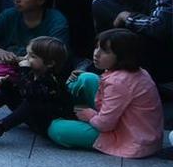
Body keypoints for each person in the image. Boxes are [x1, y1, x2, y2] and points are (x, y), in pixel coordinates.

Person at [49, 28, 166, 156]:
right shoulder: (137, 71)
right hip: (140, 132)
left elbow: (104, 125)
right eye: (97, 47)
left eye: (105, 51)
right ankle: (71, 110)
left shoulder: (119, 82)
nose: (96, 54)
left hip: (132, 140)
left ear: (122, 56)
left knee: (56, 129)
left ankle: (74, 117)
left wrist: (89, 115)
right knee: (86, 78)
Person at [91, 0, 173, 86]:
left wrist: (128, 18)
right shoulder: (101, 2)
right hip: (117, 65)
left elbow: (161, 27)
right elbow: (100, 39)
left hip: (156, 62)